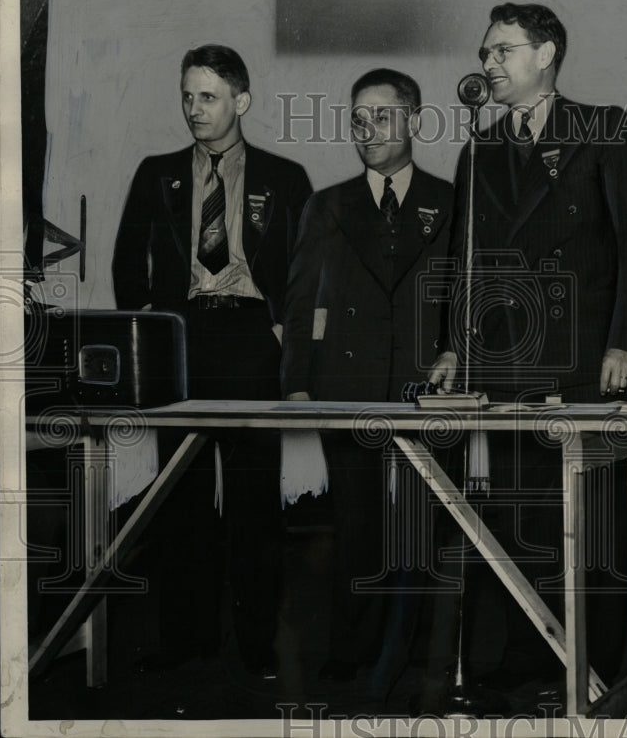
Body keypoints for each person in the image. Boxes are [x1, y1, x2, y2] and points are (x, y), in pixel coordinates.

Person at [429, 2, 627, 693]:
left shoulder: (605, 128)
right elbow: (463, 261)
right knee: (522, 513)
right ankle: (537, 662)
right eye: (485, 53)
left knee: (593, 519)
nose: (489, 64)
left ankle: (602, 670)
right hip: (505, 357)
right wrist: (449, 350)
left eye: (503, 51)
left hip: (587, 353)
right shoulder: (481, 147)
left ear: (547, 53)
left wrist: (626, 341)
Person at [112, 44, 313, 677]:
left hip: (253, 341)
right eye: (187, 95)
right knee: (180, 493)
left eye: (208, 96)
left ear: (241, 101)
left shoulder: (285, 177)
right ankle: (186, 641)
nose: (194, 109)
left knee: (255, 498)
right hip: (182, 339)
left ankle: (257, 645)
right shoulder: (158, 172)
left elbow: (307, 271)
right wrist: (149, 329)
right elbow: (127, 262)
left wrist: (286, 333)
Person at [280, 69, 455, 688]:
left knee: (422, 525)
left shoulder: (453, 201)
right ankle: (351, 651)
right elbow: (300, 302)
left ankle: (421, 657)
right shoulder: (328, 204)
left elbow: (466, 300)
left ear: (413, 120)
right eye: (358, 119)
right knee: (354, 524)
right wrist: (298, 385)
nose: (368, 130)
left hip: (422, 389)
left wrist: (455, 356)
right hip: (345, 387)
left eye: (382, 116)